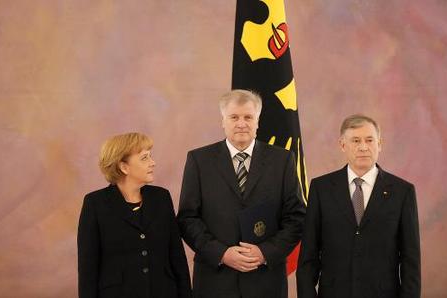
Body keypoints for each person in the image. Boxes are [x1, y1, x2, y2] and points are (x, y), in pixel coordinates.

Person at [177, 89, 305, 298]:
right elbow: (187, 218)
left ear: (258, 121)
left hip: (265, 281)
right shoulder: (199, 160)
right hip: (215, 281)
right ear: (223, 121)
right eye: (234, 117)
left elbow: (296, 218)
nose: (241, 123)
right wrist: (222, 254)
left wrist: (265, 253)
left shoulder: (282, 160)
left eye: (248, 117)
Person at [296, 114, 421, 298]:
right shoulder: (321, 189)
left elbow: (411, 261)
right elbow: (308, 256)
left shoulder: (403, 192)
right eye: (355, 140)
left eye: (369, 140)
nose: (363, 147)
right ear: (342, 145)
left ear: (380, 144)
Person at [77, 132, 192, 298]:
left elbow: (177, 257)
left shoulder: (161, 197)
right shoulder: (95, 204)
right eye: (144, 158)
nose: (153, 163)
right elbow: (88, 268)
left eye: (150, 156)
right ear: (123, 167)